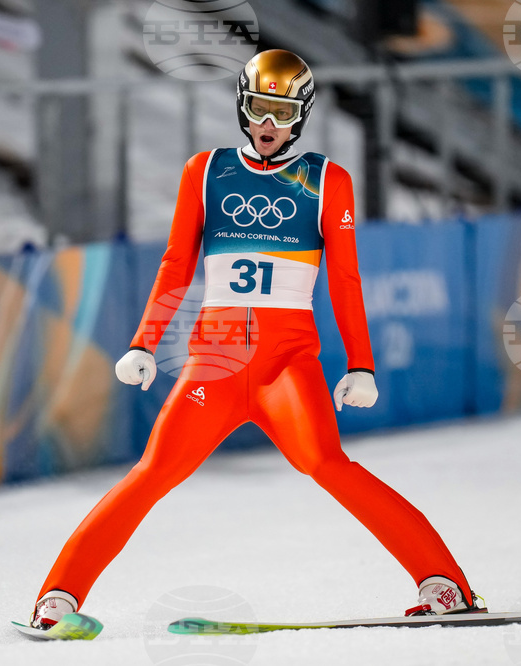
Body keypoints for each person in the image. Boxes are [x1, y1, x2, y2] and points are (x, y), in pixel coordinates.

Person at [31, 49, 482, 628]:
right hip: (213, 363)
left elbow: (345, 280)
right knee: (152, 472)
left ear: (303, 114)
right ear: (243, 107)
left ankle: (444, 583)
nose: (270, 125)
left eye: (283, 111)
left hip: (285, 363)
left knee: (327, 464)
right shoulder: (205, 170)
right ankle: (58, 598)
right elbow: (176, 264)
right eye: (261, 109)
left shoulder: (326, 180)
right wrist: (144, 342)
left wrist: (361, 364)